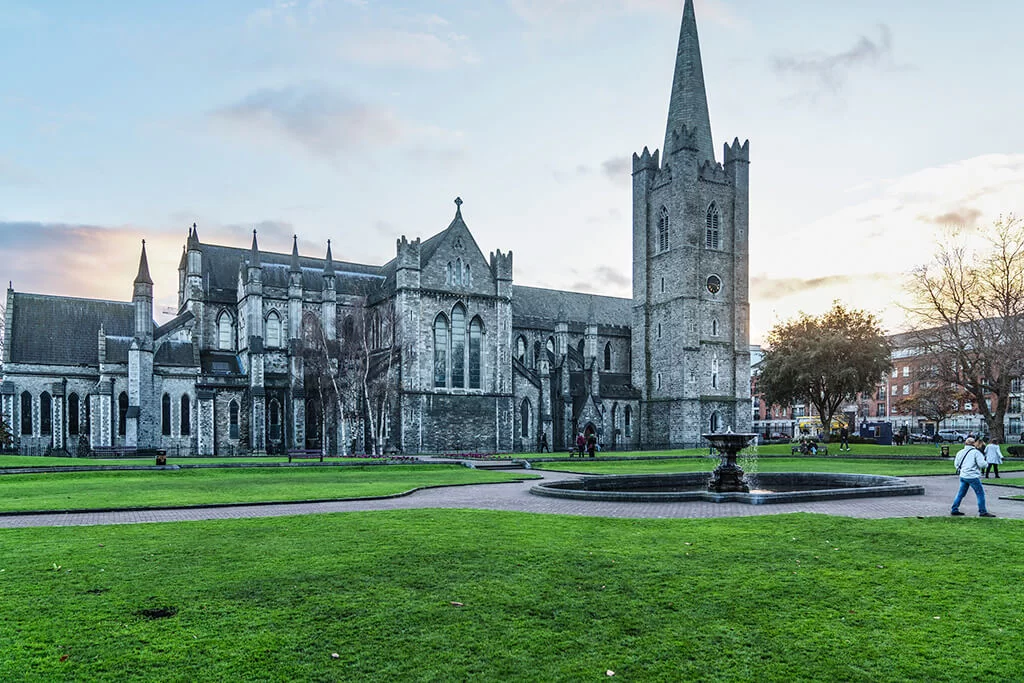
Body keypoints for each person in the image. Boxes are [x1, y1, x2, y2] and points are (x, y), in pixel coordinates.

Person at [951, 437, 996, 517]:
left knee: (960, 494)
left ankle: (954, 509)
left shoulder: (960, 452)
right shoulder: (976, 453)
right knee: (980, 493)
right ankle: (982, 511)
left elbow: (956, 464)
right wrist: (986, 463)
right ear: (974, 443)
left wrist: (963, 470)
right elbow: (982, 464)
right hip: (973, 476)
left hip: (963, 475)